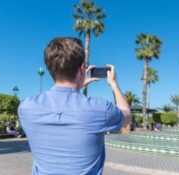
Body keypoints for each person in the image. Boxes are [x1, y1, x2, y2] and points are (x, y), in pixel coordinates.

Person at [18, 37, 131, 175]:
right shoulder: (100, 109)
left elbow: (63, 106)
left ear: (50, 69)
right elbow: (126, 115)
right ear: (83, 68)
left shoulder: (26, 108)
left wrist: (77, 85)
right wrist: (113, 84)